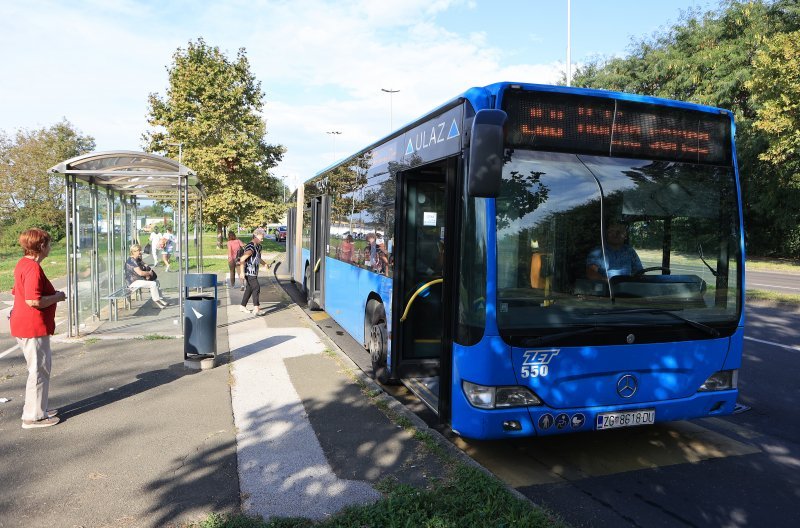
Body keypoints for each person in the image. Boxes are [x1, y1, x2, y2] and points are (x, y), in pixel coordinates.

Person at [9, 228, 67, 429]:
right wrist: (58, 297)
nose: (50, 247)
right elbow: (34, 300)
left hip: (24, 324)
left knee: (38, 369)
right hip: (32, 326)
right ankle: (34, 417)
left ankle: (37, 409)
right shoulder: (32, 268)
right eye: (49, 244)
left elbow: (16, 290)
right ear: (41, 246)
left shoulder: (22, 264)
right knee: (38, 370)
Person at [239, 228, 269, 315]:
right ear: (255, 236)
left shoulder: (259, 246)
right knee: (256, 287)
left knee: (249, 288)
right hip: (248, 271)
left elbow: (258, 258)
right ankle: (256, 308)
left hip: (255, 271)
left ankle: (242, 306)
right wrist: (241, 272)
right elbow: (242, 259)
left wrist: (265, 264)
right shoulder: (250, 247)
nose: (262, 239)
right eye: (261, 238)